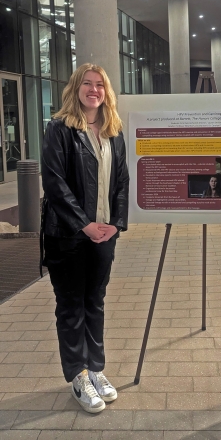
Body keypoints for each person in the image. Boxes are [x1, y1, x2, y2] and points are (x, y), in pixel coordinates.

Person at [41, 63, 129, 414]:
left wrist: (116, 223)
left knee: (95, 301)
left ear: (106, 92)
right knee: (71, 306)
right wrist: (84, 224)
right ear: (76, 88)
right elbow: (54, 183)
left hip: (104, 234)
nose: (94, 90)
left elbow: (121, 181)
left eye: (100, 85)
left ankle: (96, 369)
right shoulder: (60, 129)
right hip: (68, 235)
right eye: (88, 84)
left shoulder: (113, 130)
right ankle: (78, 375)